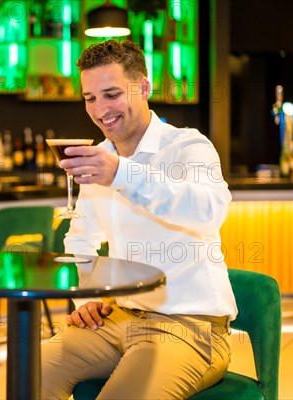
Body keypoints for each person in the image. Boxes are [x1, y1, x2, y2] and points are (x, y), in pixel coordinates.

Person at [41, 39, 238, 399]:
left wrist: (122, 174)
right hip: (118, 317)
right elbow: (79, 238)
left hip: (191, 327)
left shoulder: (188, 147)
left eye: (112, 94)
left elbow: (210, 212)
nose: (101, 110)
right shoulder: (100, 156)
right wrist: (83, 298)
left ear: (143, 87)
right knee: (29, 374)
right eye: (90, 98)